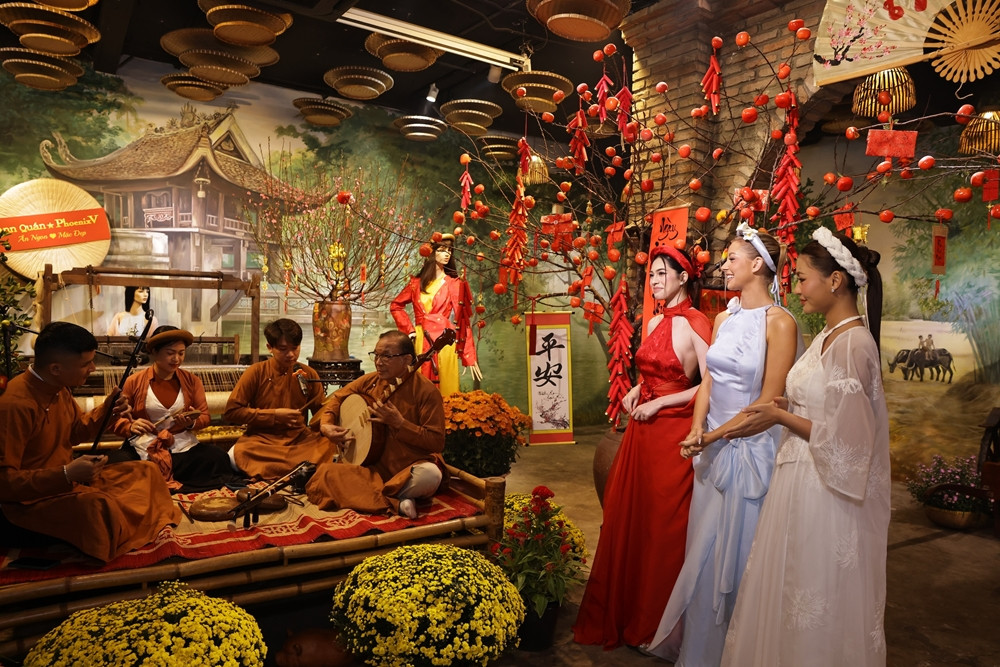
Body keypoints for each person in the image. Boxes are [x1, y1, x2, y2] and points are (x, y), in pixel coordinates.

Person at [720, 227, 889, 666]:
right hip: (798, 482)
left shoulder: (854, 343)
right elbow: (822, 408)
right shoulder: (827, 337)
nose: (796, 289)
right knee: (789, 588)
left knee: (814, 590)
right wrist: (787, 406)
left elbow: (850, 442)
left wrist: (781, 417)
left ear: (835, 281)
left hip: (827, 494)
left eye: (801, 278)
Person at [647, 222, 800, 666]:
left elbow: (769, 401)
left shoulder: (780, 323)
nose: (724, 266)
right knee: (704, 552)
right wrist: (698, 428)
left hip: (751, 451)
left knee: (739, 557)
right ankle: (700, 653)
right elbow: (709, 382)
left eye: (732, 259)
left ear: (758, 266)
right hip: (710, 451)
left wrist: (713, 436)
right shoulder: (723, 317)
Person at [573, 244, 711, 649]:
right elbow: (650, 373)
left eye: (662, 274)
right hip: (642, 431)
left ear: (684, 278)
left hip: (672, 432)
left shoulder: (698, 322)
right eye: (651, 275)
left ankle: (657, 623)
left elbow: (709, 384)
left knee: (664, 525)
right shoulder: (653, 322)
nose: (654, 281)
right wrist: (636, 390)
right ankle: (629, 613)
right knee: (633, 517)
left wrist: (661, 403)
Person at [0, 322, 180, 562]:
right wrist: (66, 474)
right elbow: (5, 483)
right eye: (86, 364)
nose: (93, 368)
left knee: (147, 471)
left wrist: (109, 409)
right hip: (30, 503)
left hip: (71, 483)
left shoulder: (58, 388)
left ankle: (133, 526)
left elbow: (76, 432)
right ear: (56, 368)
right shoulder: (14, 405)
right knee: (98, 506)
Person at [306, 330, 446, 519]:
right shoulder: (371, 381)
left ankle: (379, 495)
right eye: (376, 355)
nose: (378, 362)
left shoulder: (426, 392)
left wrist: (400, 424)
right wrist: (326, 424)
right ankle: (397, 501)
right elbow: (338, 398)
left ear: (406, 360)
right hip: (371, 467)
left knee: (431, 475)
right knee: (324, 473)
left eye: (386, 356)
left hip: (407, 467)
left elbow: (436, 442)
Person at [112, 326, 238, 490]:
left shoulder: (192, 381)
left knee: (218, 457)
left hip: (180, 445)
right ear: (154, 352)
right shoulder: (134, 381)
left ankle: (155, 479)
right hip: (144, 445)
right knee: (116, 463)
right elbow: (115, 417)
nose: (176, 359)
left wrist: (190, 423)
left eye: (181, 353)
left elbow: (205, 416)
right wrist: (130, 426)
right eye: (170, 353)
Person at [225, 319, 336, 481]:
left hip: (299, 440)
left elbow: (319, 414)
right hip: (262, 441)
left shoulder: (308, 374)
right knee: (241, 452)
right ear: (270, 347)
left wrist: (330, 418)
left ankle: (285, 469)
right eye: (283, 349)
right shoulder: (256, 372)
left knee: (329, 444)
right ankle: (300, 470)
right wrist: (274, 415)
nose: (291, 354)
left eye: (295, 348)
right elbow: (232, 412)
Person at [390, 234, 480, 396]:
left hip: (445, 342)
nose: (447, 254)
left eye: (450, 250)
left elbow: (463, 320)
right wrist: (409, 330)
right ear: (432, 252)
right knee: (419, 388)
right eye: (442, 250)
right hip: (421, 339)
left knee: (446, 389)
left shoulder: (454, 284)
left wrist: (469, 356)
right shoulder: (416, 284)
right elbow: (396, 306)